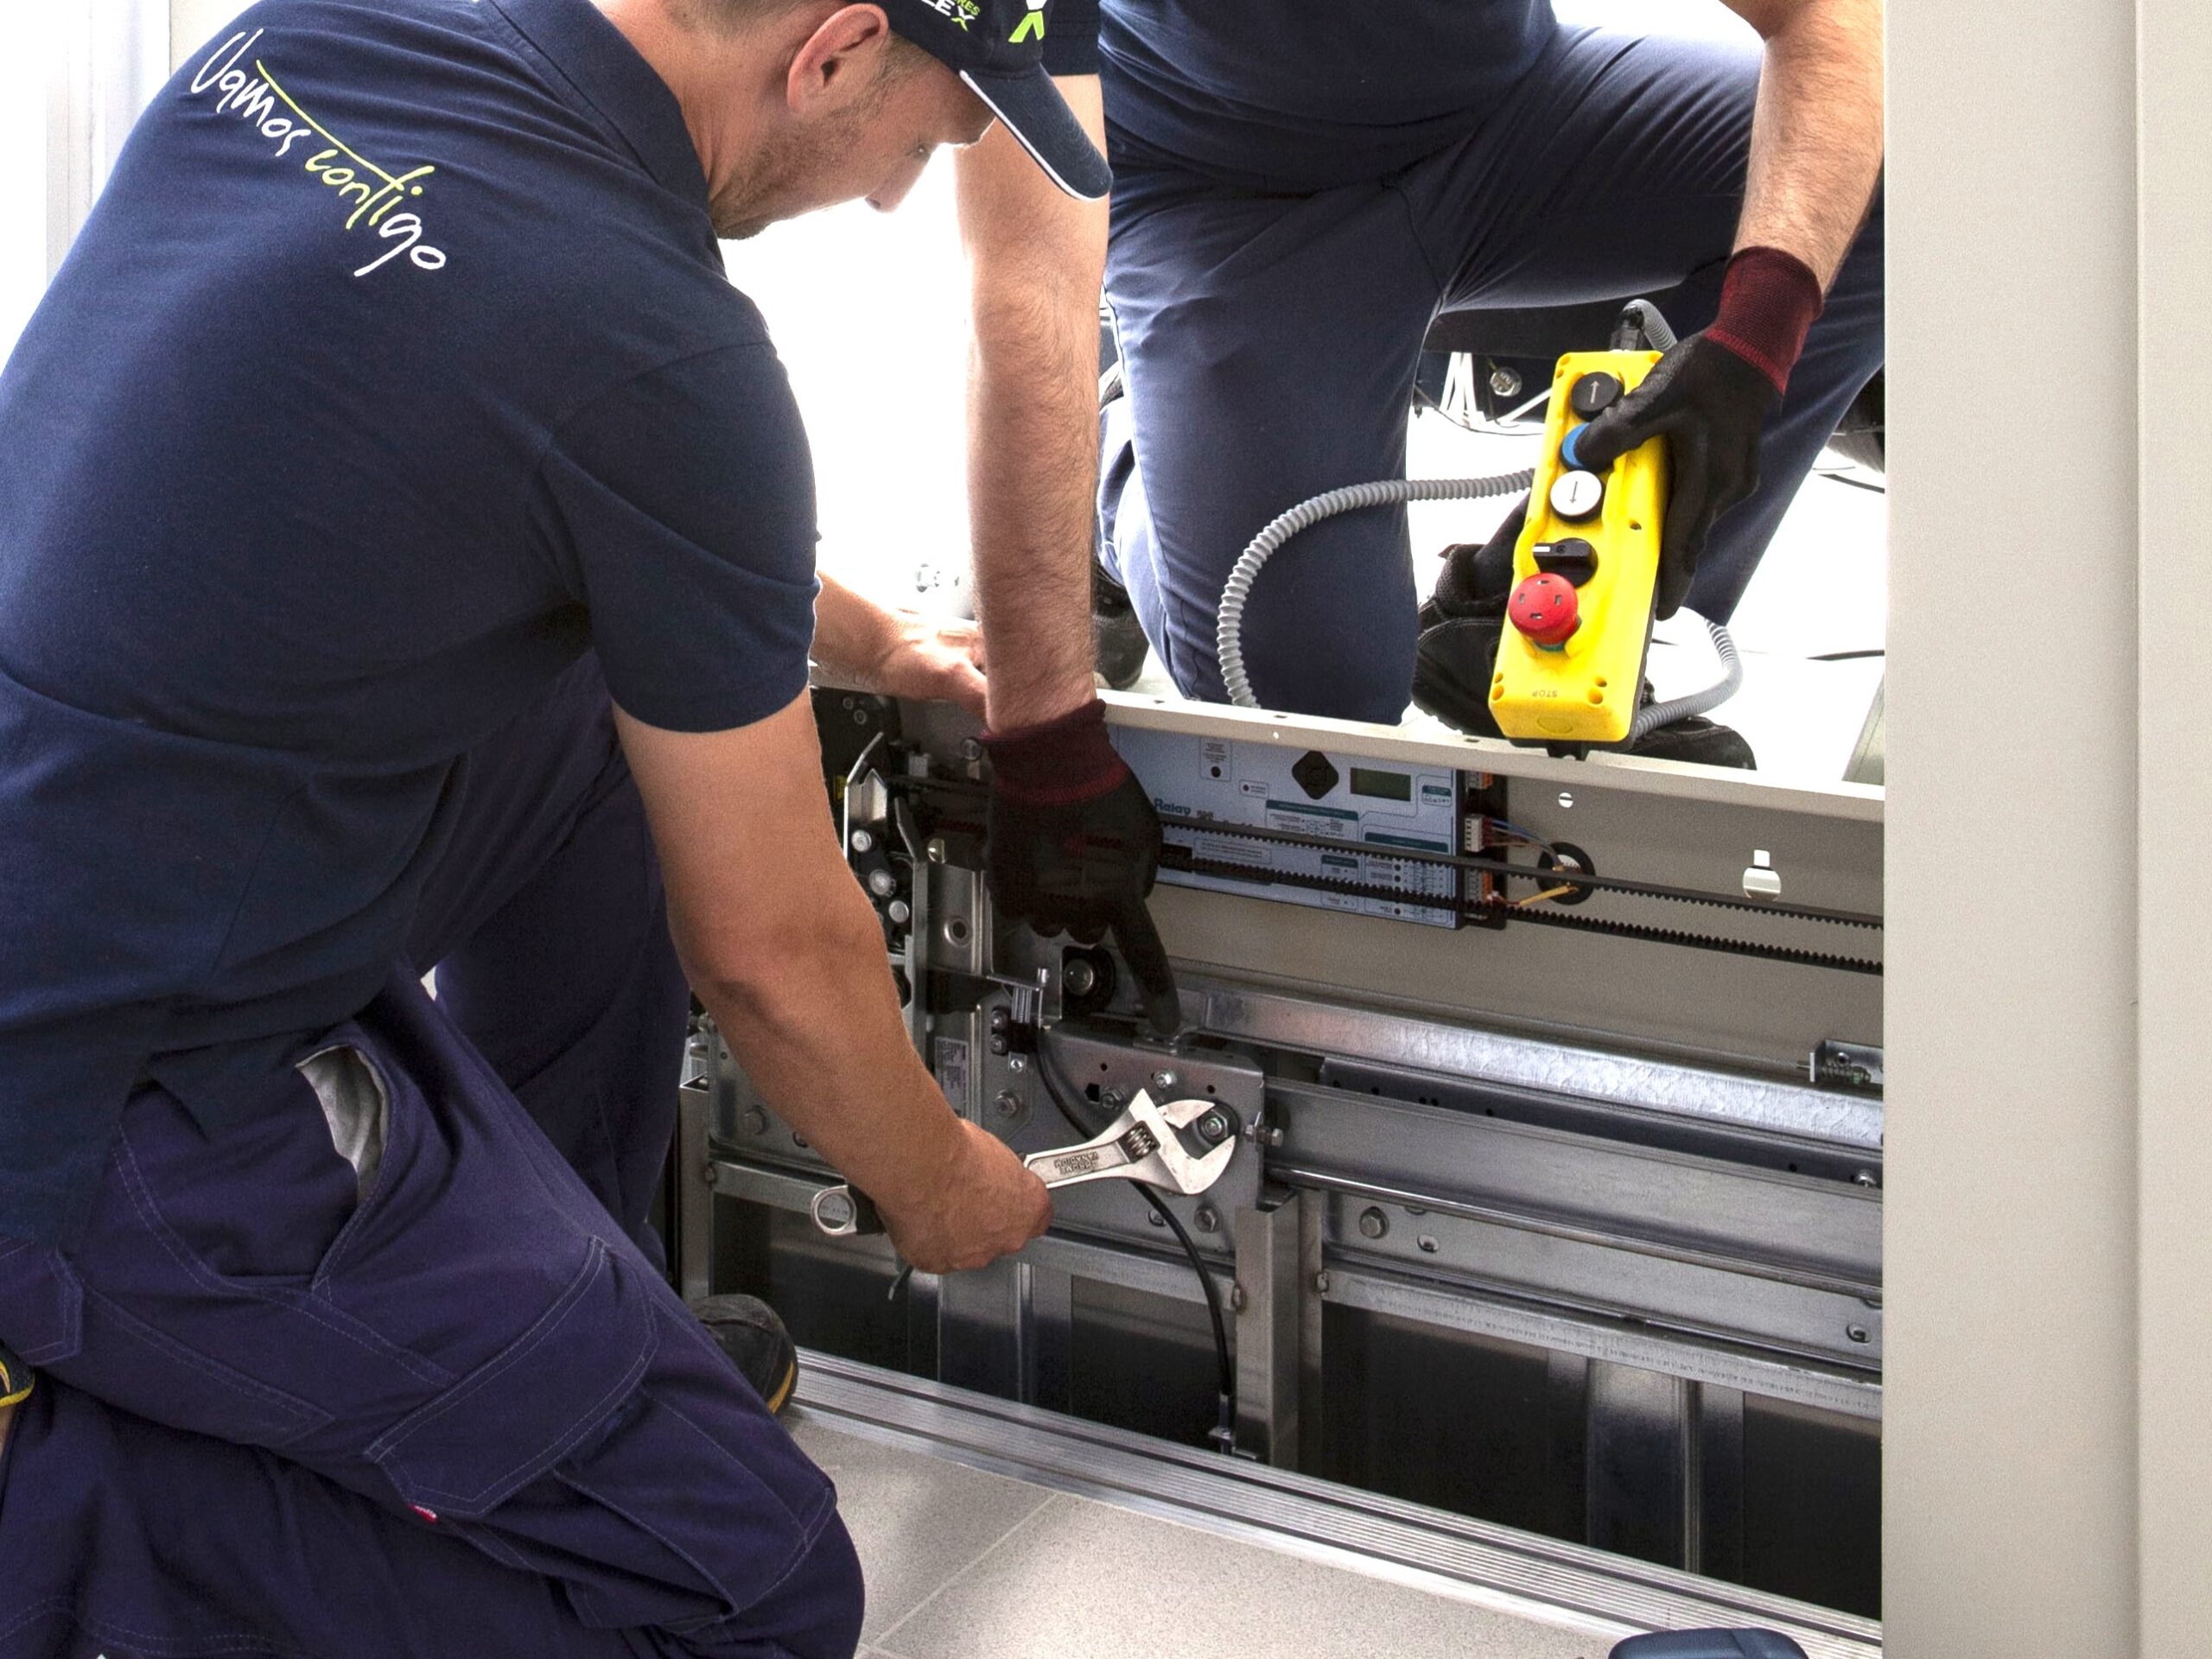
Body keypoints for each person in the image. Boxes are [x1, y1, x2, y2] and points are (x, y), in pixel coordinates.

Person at [0, 0, 1154, 1651]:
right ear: (831, 50)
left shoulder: (326, 40)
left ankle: (554, 1347)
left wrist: (856, 642)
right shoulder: (657, 342)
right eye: (937, 130)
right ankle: (68, 1491)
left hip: (89, 868)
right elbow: (770, 958)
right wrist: (942, 1184)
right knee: (740, 1589)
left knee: (628, 724)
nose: (907, 190)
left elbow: (497, 449)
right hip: (94, 1097)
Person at [1014, 0, 1885, 753]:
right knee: (1308, 706)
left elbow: (1822, 16)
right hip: (1226, 199)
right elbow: (1012, 288)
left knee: (1885, 186)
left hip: (1499, 120)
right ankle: (1125, 453)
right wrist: (1038, 736)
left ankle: (1568, 613)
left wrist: (1753, 343)